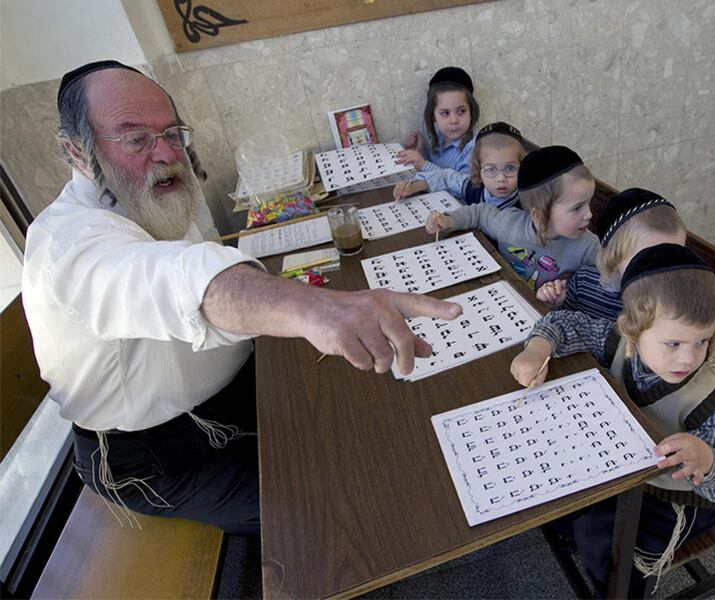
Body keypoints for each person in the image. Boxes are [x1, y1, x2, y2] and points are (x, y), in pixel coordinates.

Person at [21, 60, 462, 536]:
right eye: (135, 140)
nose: (166, 154)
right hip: (154, 454)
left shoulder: (147, 193)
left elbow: (204, 266)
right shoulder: (67, 244)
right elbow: (177, 279)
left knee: (364, 415)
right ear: (77, 152)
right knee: (327, 514)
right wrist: (314, 307)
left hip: (235, 390)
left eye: (172, 133)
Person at [510, 244, 715, 596]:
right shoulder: (624, 341)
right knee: (558, 496)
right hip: (628, 463)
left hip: (679, 499)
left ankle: (623, 590)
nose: (689, 357)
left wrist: (708, 458)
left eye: (703, 341)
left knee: (600, 536)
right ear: (634, 330)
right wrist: (537, 349)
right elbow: (565, 323)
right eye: (673, 343)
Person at [425, 145, 598, 290]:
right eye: (577, 208)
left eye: (588, 203)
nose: (589, 214)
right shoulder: (509, 225)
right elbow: (479, 213)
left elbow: (607, 283)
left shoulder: (589, 247)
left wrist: (563, 299)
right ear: (539, 215)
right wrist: (449, 221)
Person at [536, 188, 687, 320]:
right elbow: (563, 322)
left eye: (674, 257)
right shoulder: (583, 281)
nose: (663, 270)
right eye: (646, 259)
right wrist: (556, 303)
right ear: (613, 258)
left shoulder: (668, 306)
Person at [393, 121, 526, 210]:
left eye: (510, 168)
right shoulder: (473, 188)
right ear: (478, 169)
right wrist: (414, 186)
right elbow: (445, 177)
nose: (501, 178)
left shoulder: (527, 202)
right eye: (491, 169)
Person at [393, 66, 479, 200]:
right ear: (433, 116)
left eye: (461, 111)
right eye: (445, 113)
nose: (454, 120)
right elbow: (438, 171)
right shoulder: (439, 136)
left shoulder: (474, 147)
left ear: (471, 111)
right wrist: (421, 152)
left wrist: (423, 164)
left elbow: (462, 187)